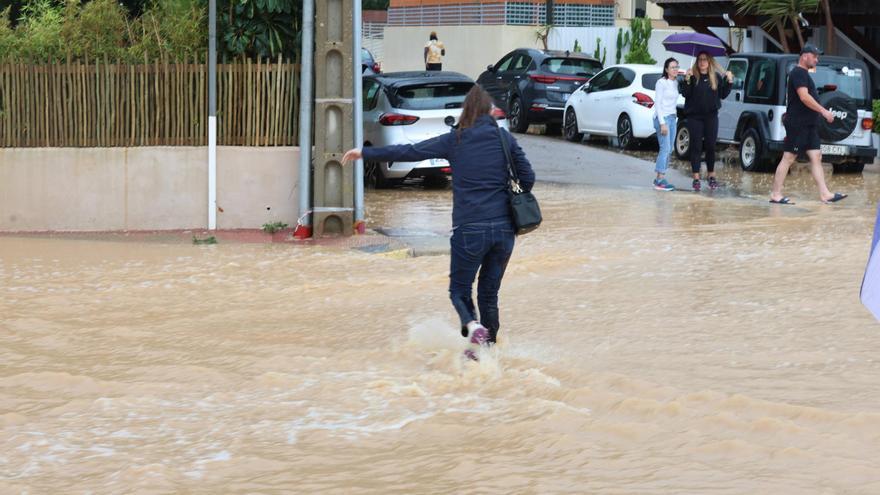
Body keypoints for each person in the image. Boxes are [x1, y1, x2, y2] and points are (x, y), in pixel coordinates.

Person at [341, 86, 535, 359]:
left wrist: (365, 154)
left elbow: (411, 151)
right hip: (504, 230)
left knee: (459, 290)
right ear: (489, 112)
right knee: (489, 293)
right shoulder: (504, 138)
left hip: (469, 230)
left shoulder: (454, 140)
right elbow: (527, 178)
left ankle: (472, 326)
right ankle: (488, 354)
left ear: (466, 111)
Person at [769, 44, 847, 205]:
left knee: (816, 157)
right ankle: (775, 194)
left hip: (809, 125)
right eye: (815, 56)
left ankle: (825, 194)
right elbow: (804, 97)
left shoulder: (804, 74)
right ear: (805, 56)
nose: (817, 60)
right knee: (789, 157)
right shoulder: (798, 73)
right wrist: (824, 111)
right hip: (798, 124)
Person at [680, 51, 733, 192]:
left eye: (705, 59)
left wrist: (729, 81)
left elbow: (722, 94)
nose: (702, 62)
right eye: (700, 60)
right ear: (697, 62)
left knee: (710, 146)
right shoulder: (692, 77)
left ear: (709, 62)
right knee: (696, 146)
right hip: (694, 117)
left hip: (711, 116)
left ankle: (711, 175)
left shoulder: (715, 77)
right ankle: (696, 177)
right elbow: (685, 93)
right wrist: (686, 79)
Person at [652, 57, 680, 191]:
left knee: (670, 149)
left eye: (677, 67)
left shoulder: (675, 83)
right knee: (665, 148)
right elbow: (657, 104)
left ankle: (659, 177)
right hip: (662, 118)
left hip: (673, 118)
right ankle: (660, 179)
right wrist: (662, 123)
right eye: (672, 67)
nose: (675, 69)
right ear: (666, 69)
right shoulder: (661, 82)